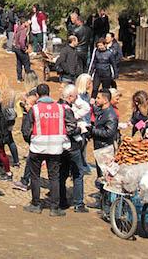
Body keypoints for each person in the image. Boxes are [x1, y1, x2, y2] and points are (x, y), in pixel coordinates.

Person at [21, 79, 73, 216]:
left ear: (37, 95)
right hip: (56, 148)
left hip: (37, 147)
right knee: (54, 177)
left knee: (35, 176)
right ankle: (54, 208)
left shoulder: (35, 109)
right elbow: (71, 125)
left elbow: (25, 130)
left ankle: (36, 204)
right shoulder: (61, 108)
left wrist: (31, 141)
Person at [59, 84, 88, 213]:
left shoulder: (57, 107)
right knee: (78, 173)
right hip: (72, 146)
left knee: (62, 173)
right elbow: (71, 130)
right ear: (70, 96)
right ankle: (78, 203)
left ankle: (62, 200)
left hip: (60, 146)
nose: (76, 100)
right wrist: (80, 129)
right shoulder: (67, 109)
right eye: (75, 97)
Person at [88, 89, 118, 208]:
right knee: (101, 176)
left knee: (105, 177)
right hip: (100, 147)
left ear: (105, 100)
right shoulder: (103, 111)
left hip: (105, 149)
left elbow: (109, 133)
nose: (96, 100)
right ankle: (103, 199)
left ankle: (105, 203)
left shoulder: (110, 114)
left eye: (98, 98)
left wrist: (93, 131)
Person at [74, 73, 94, 171]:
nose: (91, 85)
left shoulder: (87, 95)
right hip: (80, 123)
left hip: (87, 122)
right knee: (80, 145)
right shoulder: (78, 96)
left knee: (84, 144)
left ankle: (83, 163)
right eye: (89, 83)